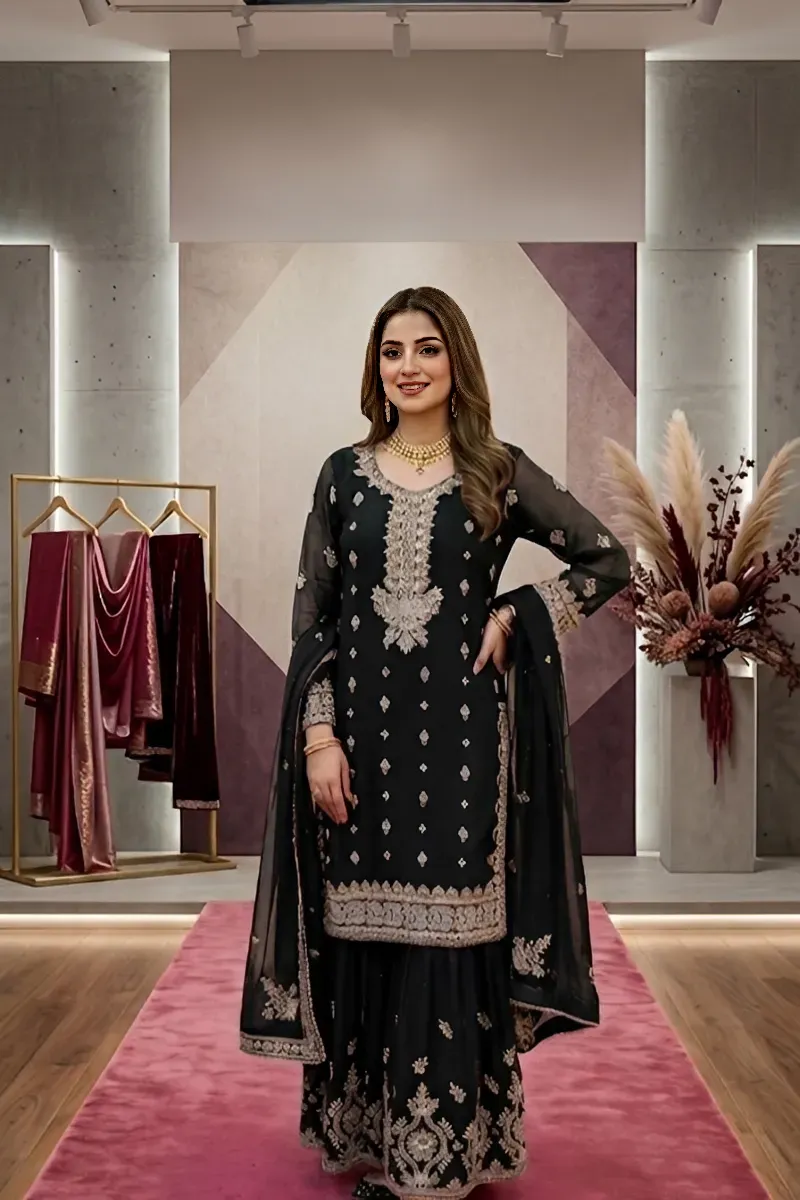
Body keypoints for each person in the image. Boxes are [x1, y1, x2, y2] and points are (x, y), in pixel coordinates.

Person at [240, 286, 631, 1199]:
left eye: (425, 348)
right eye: (391, 352)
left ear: (457, 360)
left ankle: (444, 1156)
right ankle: (376, 1143)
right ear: (374, 368)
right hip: (361, 747)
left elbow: (607, 559)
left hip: (461, 746)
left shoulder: (496, 471)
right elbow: (313, 619)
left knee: (451, 935)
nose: (407, 366)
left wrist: (518, 613)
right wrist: (318, 736)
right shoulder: (342, 475)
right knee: (362, 928)